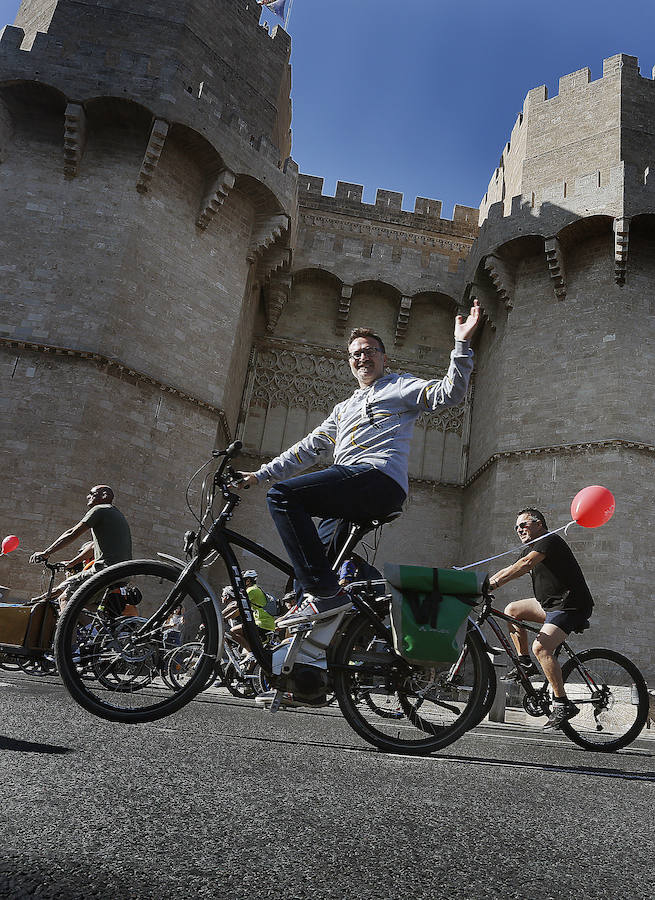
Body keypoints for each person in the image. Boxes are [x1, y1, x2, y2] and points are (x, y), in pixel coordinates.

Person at [237, 301, 481, 627]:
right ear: (349, 363)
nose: (362, 357)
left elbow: (448, 393)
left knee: (282, 498)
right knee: (306, 576)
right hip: (350, 490)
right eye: (355, 354)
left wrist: (461, 345)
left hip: (376, 478)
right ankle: (310, 659)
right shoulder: (343, 409)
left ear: (383, 357)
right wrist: (258, 475)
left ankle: (325, 595)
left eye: (369, 351)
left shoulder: (399, 386)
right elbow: (309, 448)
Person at [488, 507, 594, 730]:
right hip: (550, 605)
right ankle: (525, 663)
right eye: (516, 527)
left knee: (542, 647)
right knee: (512, 610)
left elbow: (523, 566)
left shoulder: (549, 540)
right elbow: (511, 568)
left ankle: (563, 703)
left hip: (571, 605)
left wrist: (494, 585)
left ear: (539, 524)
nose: (519, 529)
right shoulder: (532, 547)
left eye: (523, 525)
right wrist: (482, 585)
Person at [29, 485, 132, 608]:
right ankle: (91, 628)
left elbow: (72, 533)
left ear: (104, 496)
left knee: (66, 599)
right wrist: (72, 563)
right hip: (122, 573)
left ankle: (67, 627)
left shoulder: (100, 509)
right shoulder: (114, 513)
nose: (87, 496)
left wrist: (46, 553)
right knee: (85, 605)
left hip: (104, 570)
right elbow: (94, 546)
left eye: (91, 493)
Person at [222, 570, 275, 655]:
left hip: (262, 624)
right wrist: (226, 617)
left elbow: (236, 605)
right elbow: (239, 610)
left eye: (242, 581)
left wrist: (219, 616)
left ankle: (251, 653)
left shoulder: (251, 590)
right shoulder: (256, 589)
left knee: (233, 632)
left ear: (248, 581)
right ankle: (249, 654)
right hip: (265, 624)